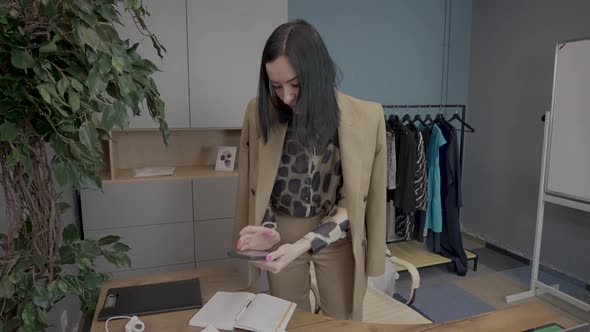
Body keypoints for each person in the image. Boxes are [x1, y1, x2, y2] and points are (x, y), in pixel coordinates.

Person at [232, 19, 386, 321]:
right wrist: (267, 229)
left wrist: (306, 243)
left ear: (318, 74)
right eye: (276, 86)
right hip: (281, 232)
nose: (286, 97)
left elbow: (354, 203)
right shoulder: (258, 111)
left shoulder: (367, 117)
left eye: (296, 85)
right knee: (289, 318)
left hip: (336, 232)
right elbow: (258, 186)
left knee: (341, 320)